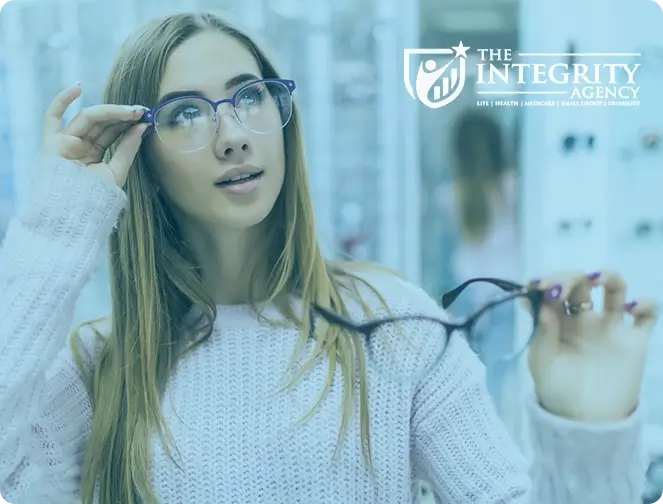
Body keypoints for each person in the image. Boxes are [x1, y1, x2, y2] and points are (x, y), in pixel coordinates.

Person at [0, 11, 657, 504]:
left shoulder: (391, 324)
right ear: (139, 153)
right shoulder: (96, 373)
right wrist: (57, 226)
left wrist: (585, 433)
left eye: (249, 96)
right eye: (186, 114)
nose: (232, 136)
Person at [446, 110, 520, 421]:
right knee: (499, 377)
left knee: (471, 378)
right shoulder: (513, 187)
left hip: (468, 294)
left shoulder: (453, 195)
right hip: (507, 294)